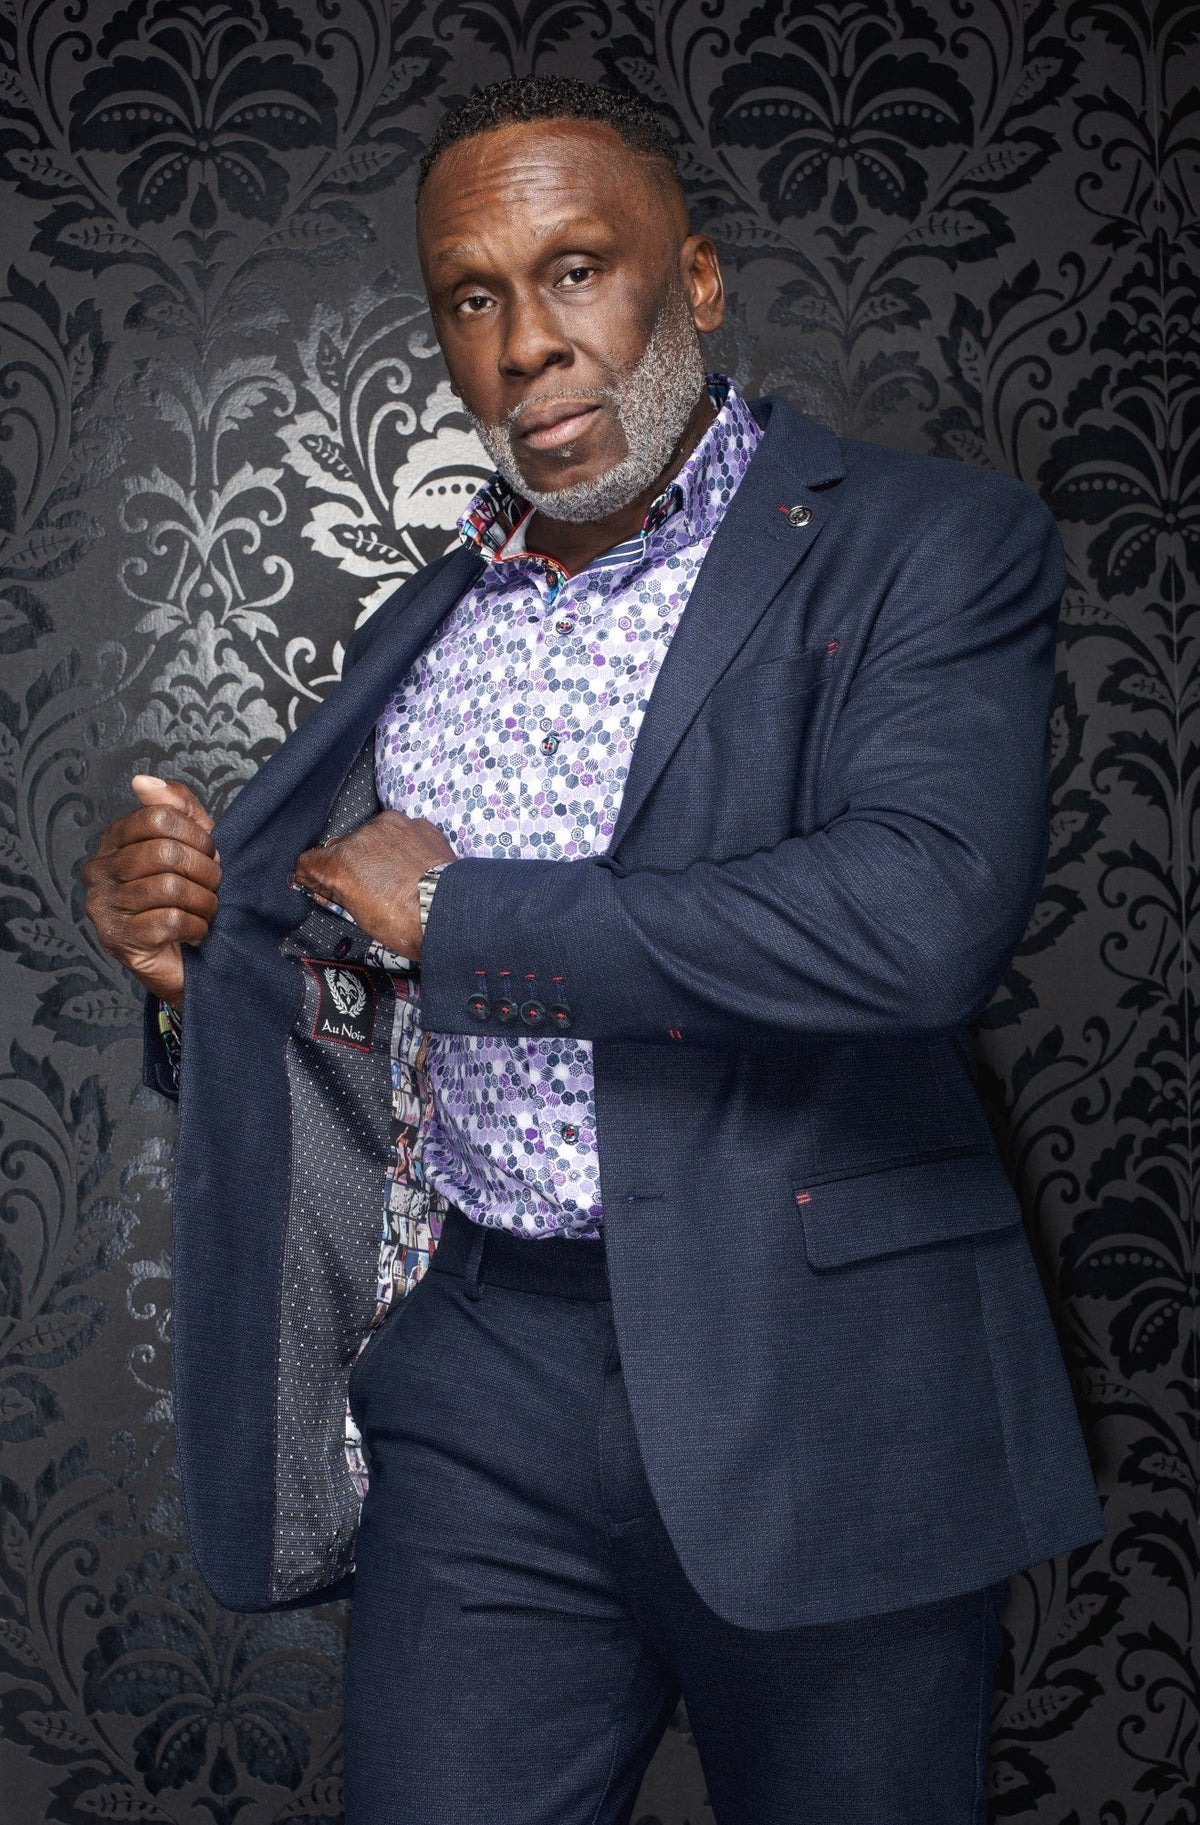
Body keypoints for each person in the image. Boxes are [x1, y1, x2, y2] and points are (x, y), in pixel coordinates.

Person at [82, 73, 1105, 1825]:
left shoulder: (925, 542)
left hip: (827, 1374)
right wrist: (193, 975)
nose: (526, 344)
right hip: (485, 1373)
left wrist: (466, 914)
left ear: (691, 279)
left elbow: (917, 916)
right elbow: (363, 999)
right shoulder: (430, 619)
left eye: (575, 271)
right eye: (472, 298)